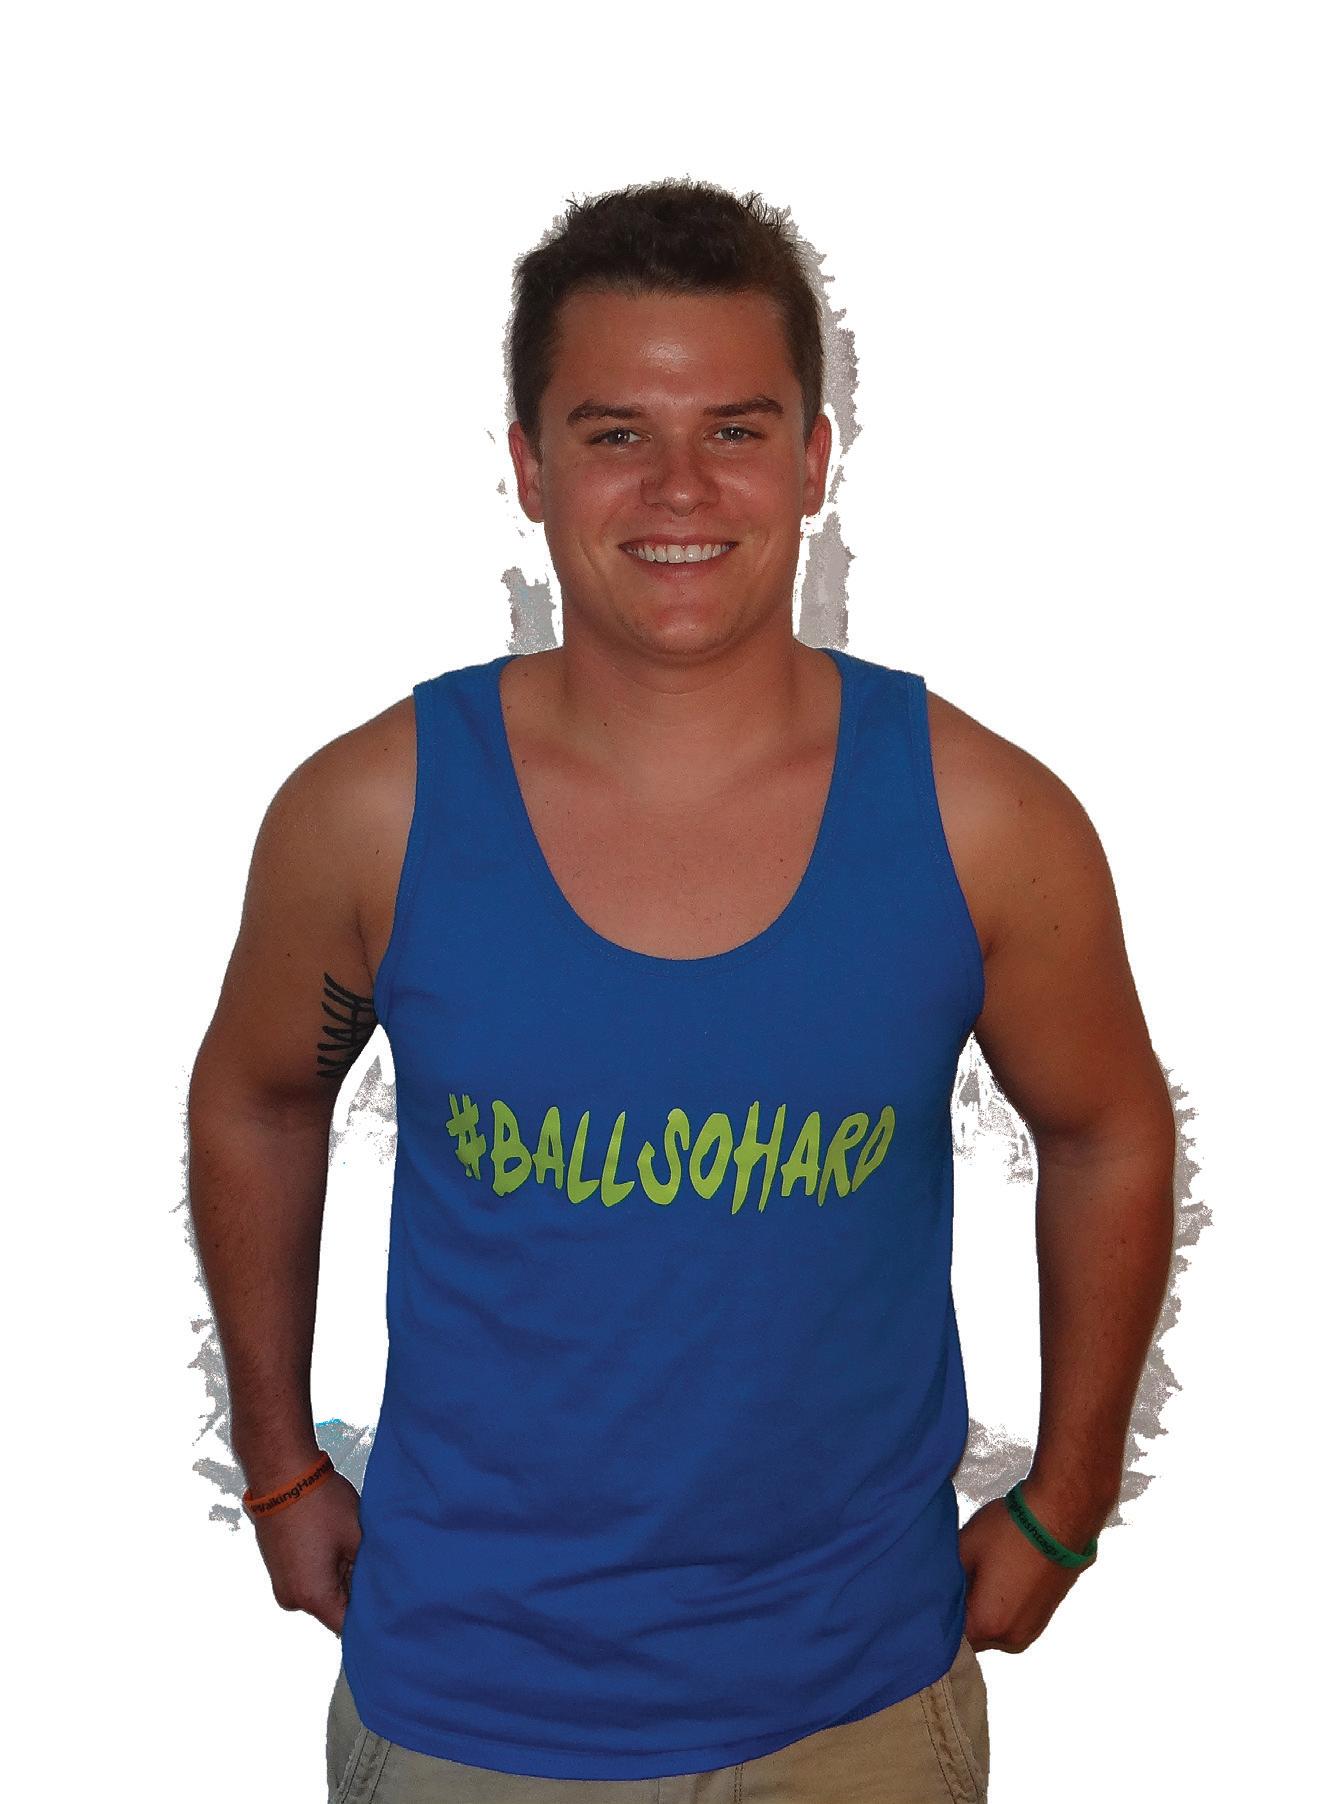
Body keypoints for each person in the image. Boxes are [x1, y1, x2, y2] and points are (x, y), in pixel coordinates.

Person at [187, 178, 1177, 1803]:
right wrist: (281, 1464)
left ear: (815, 459)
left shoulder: (983, 821)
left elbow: (1110, 1129)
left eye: (734, 428)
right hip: (465, 1703)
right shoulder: (371, 813)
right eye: (614, 434)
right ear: (527, 466)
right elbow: (256, 1098)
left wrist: (1070, 1498)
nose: (679, 488)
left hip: (857, 1703)